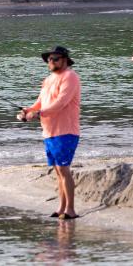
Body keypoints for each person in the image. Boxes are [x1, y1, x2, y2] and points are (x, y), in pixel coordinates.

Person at [17, 46, 82, 220]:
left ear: (65, 60)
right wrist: (27, 111)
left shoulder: (70, 76)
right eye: (49, 59)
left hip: (66, 131)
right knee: (58, 170)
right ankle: (61, 208)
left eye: (55, 59)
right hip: (48, 132)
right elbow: (40, 102)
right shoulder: (48, 80)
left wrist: (38, 114)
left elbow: (61, 102)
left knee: (63, 168)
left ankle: (71, 209)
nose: (50, 62)